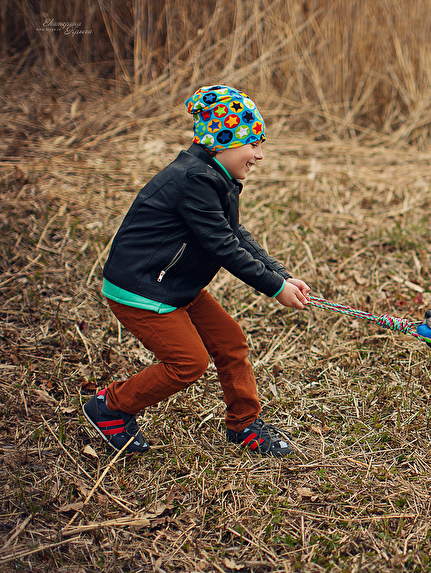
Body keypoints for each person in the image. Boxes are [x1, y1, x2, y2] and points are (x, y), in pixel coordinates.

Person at [83, 85, 310, 456]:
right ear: (222, 143)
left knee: (230, 342)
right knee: (188, 362)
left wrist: (279, 274)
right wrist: (274, 288)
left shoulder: (214, 176)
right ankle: (110, 406)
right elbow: (223, 247)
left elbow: (233, 233)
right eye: (253, 143)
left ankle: (244, 424)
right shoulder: (194, 180)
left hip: (176, 283)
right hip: (142, 289)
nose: (260, 154)